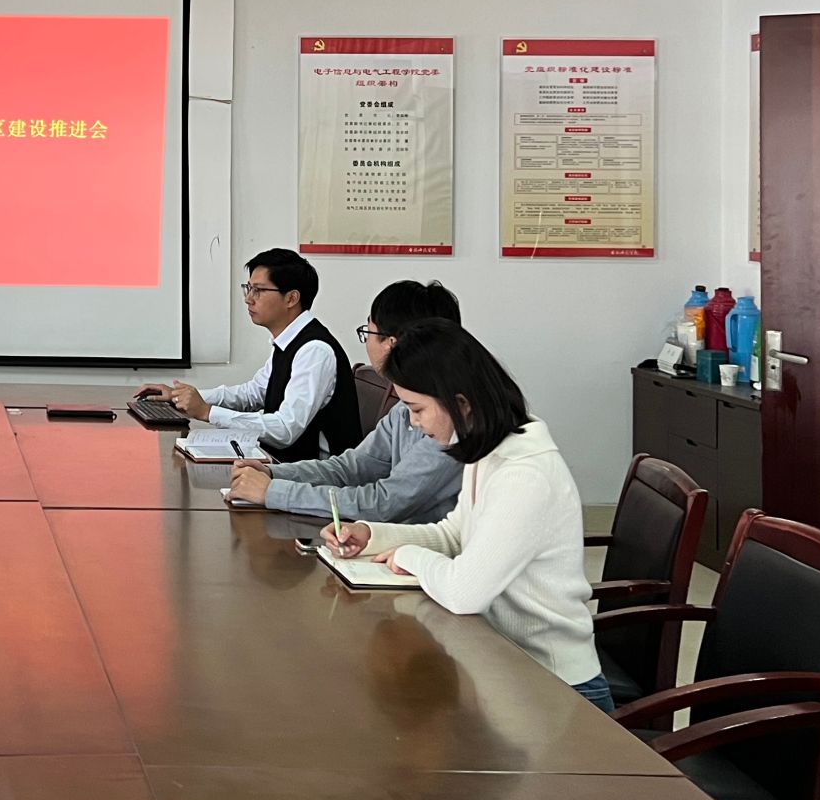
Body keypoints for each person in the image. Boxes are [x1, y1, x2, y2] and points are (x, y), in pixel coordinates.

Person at [321, 320, 610, 713]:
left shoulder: (524, 474)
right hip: (504, 666)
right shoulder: (485, 447)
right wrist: (373, 535)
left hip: (556, 687)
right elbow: (454, 535)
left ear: (461, 403)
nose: (413, 422)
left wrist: (407, 555)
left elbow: (464, 593)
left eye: (417, 409)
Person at [227, 279, 464, 523]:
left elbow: (384, 503)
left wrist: (273, 492)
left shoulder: (448, 419)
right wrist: (273, 473)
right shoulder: (405, 407)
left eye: (368, 332)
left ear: (392, 344)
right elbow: (353, 467)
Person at [142, 247, 360, 459]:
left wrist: (208, 412)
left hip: (315, 475)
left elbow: (286, 430)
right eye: (248, 288)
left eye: (259, 290)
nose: (248, 298)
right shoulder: (289, 341)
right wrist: (181, 396)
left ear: (291, 298)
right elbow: (253, 394)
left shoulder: (315, 350)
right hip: (281, 463)